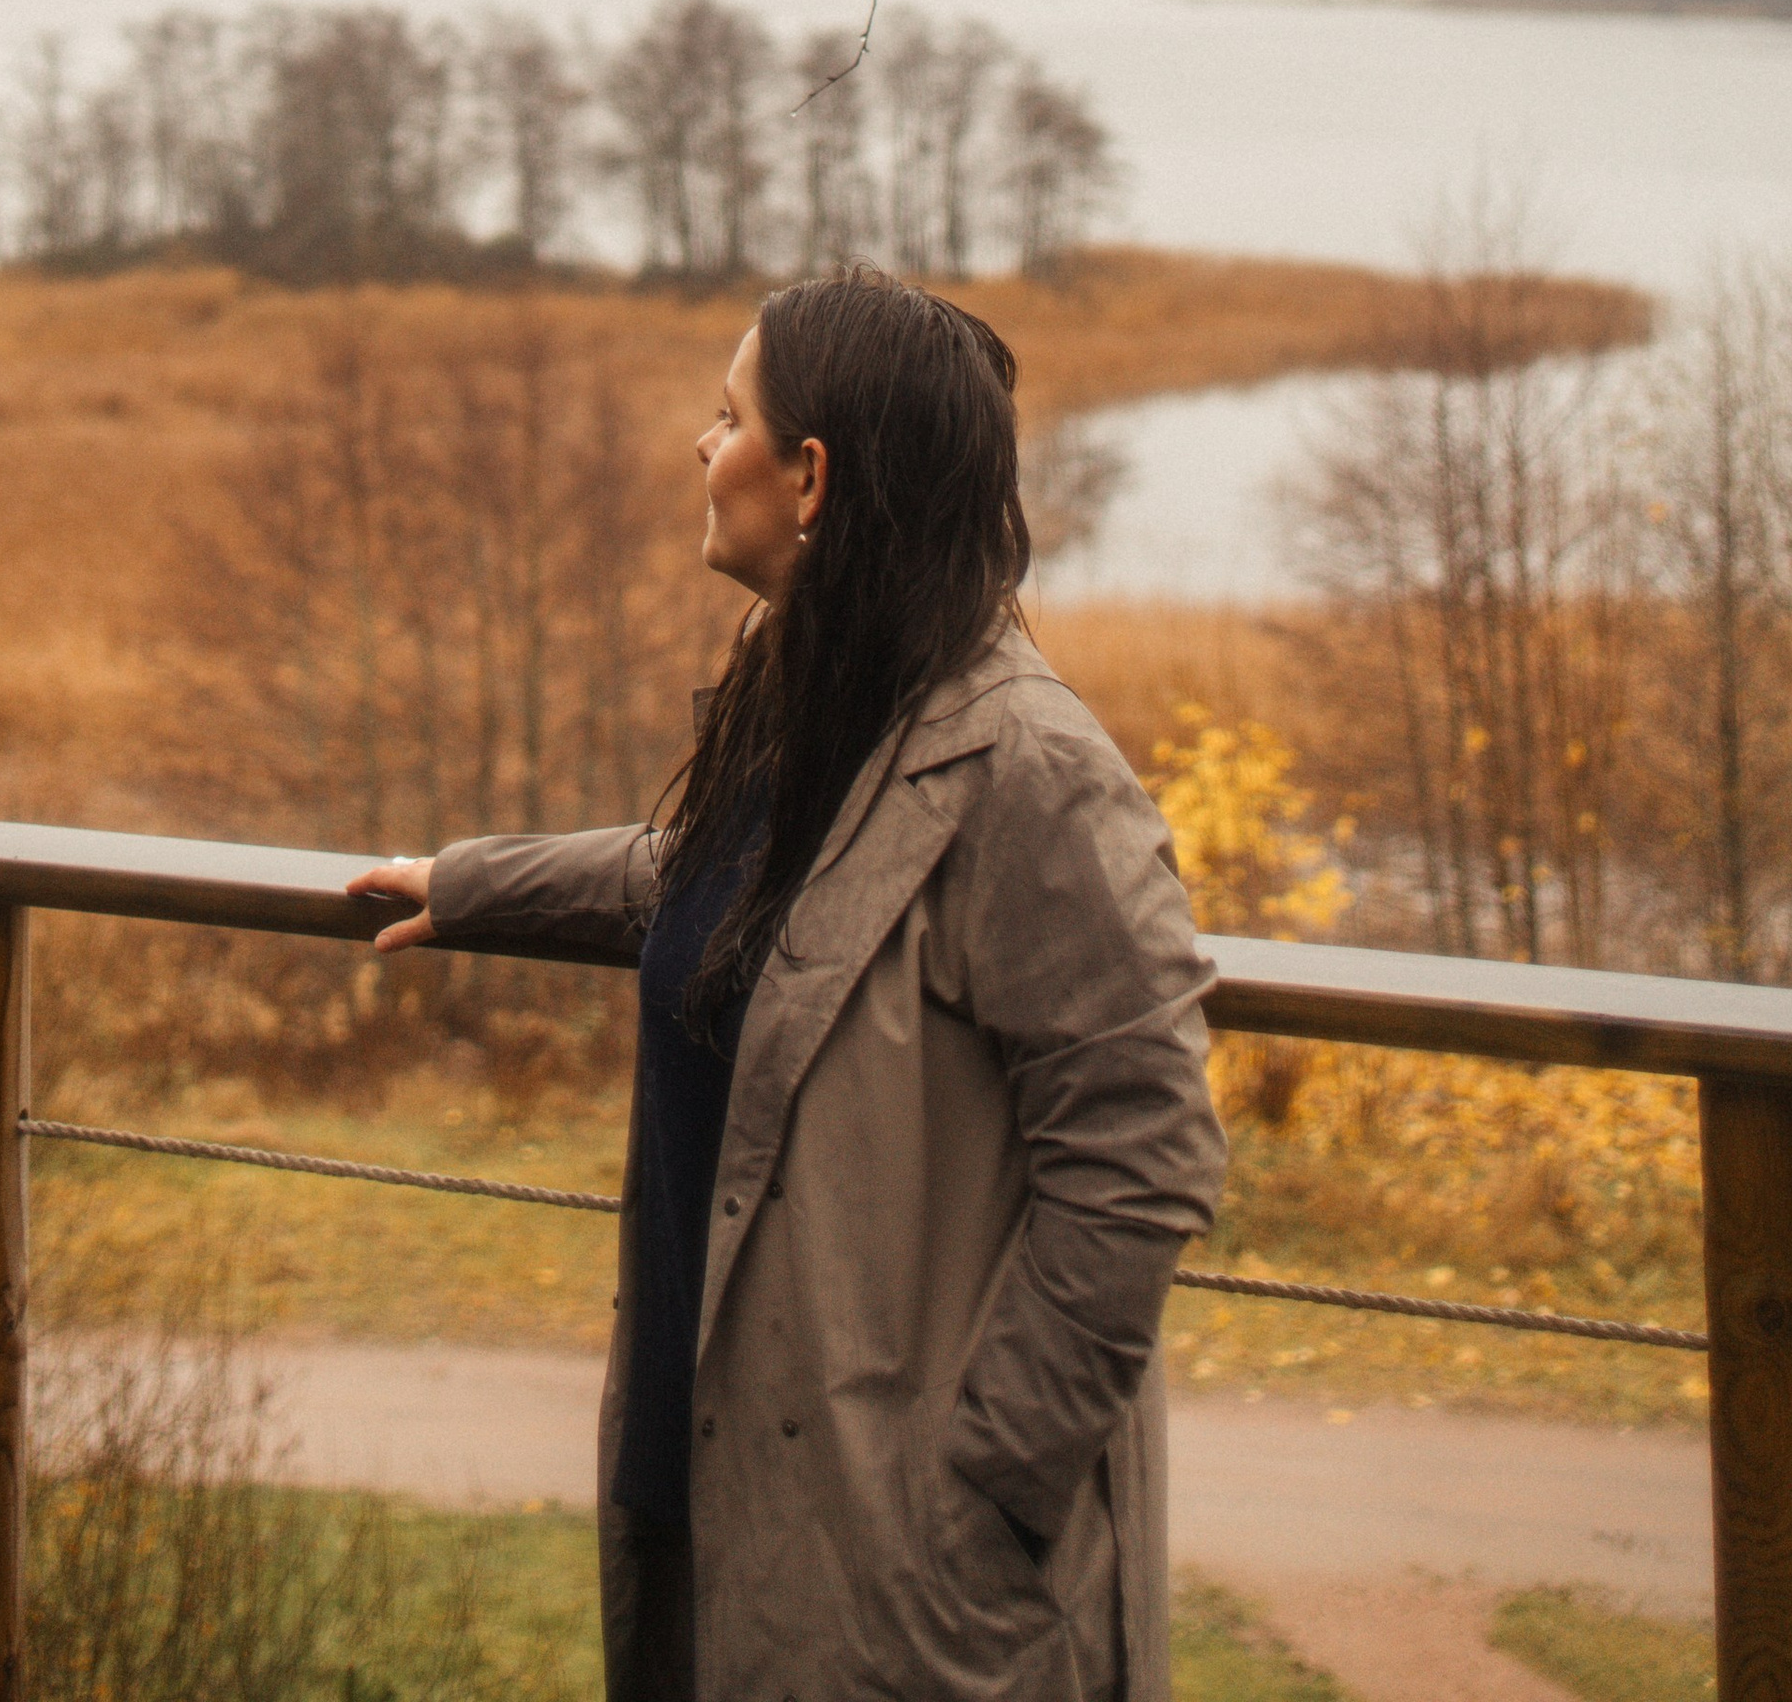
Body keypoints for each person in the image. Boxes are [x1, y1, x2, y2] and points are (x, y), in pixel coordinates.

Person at [349, 267, 1226, 1702]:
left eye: (727, 415)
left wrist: (984, 1488)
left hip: (890, 1553)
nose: (703, 447)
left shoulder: (1034, 775)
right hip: (705, 1467)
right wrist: (471, 884)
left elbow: (1144, 1156)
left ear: (810, 476)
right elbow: (718, 889)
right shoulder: (809, 684)